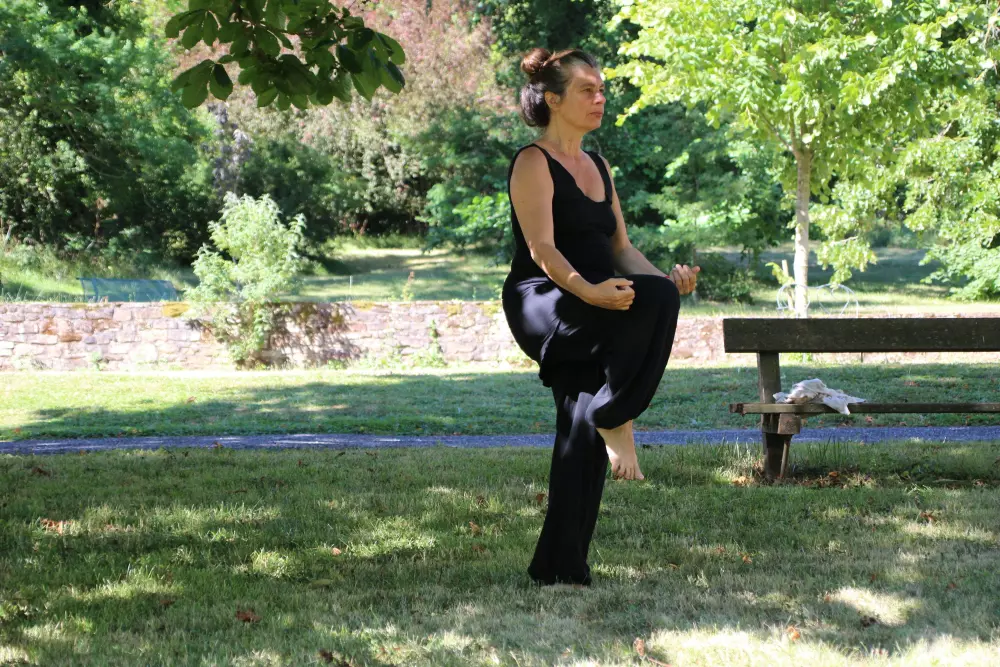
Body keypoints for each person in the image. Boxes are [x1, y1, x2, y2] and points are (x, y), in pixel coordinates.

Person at [501, 47, 700, 587]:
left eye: (602, 89)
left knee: (581, 418)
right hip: (544, 299)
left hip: (596, 295)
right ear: (554, 99)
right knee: (597, 405)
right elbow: (542, 248)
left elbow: (622, 250)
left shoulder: (600, 166)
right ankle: (618, 412)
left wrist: (663, 279)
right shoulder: (532, 162)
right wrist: (588, 291)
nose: (599, 98)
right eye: (587, 89)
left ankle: (560, 567)